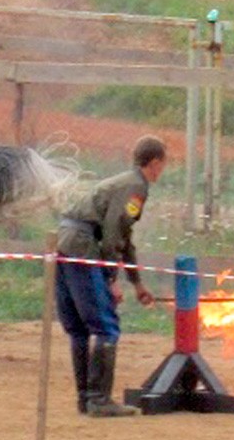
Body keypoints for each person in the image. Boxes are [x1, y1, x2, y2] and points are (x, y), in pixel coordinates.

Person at [54, 135, 166, 418]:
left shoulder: (124, 182)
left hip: (65, 242)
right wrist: (110, 278)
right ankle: (99, 399)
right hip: (84, 245)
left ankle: (86, 398)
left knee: (79, 327)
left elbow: (124, 240)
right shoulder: (136, 188)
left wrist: (137, 283)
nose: (161, 171)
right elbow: (114, 234)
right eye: (162, 165)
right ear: (154, 164)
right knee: (106, 325)